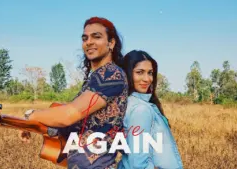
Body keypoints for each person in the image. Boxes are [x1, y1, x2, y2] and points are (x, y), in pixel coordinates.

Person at [19, 17, 128, 169]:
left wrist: (31, 115)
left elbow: (69, 115)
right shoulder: (96, 79)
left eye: (96, 36)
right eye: (85, 38)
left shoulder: (111, 75)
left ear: (111, 43)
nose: (88, 42)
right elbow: (72, 126)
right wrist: (28, 124)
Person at [117, 50, 183, 169]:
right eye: (139, 72)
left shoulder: (133, 104)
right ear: (127, 74)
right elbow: (137, 164)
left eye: (150, 73)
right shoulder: (140, 110)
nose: (147, 79)